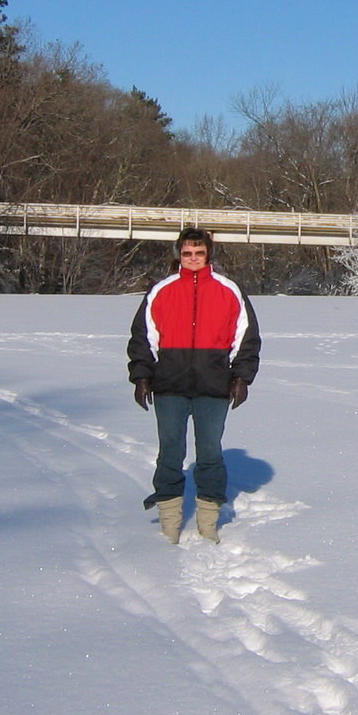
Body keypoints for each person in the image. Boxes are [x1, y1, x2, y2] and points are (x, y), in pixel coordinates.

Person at [127, 228, 260, 544]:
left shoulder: (229, 290)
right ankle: (170, 521)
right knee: (170, 452)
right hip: (169, 384)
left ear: (208, 254)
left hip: (213, 385)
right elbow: (143, 337)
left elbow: (247, 339)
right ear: (179, 255)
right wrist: (142, 377)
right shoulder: (162, 290)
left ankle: (208, 521)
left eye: (199, 253)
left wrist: (241, 378)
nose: (193, 259)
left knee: (210, 453)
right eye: (187, 253)